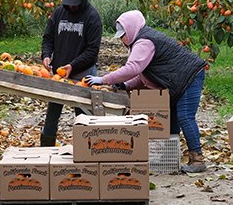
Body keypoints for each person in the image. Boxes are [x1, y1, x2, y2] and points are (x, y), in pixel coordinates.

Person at [85, 10, 208, 173]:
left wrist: (104, 79)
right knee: (172, 116)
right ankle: (169, 157)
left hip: (189, 76)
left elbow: (133, 68)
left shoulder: (144, 41)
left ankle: (197, 160)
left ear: (131, 30)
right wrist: (126, 85)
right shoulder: (142, 40)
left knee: (185, 116)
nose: (122, 39)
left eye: (123, 35)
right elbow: (143, 74)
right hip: (178, 79)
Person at [40, 0, 102, 146]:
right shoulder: (59, 12)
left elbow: (92, 51)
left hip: (83, 73)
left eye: (75, 3)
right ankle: (46, 152)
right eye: (69, 3)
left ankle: (86, 153)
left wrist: (73, 65)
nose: (72, 7)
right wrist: (46, 55)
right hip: (59, 74)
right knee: (52, 114)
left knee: (83, 118)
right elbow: (48, 38)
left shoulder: (92, 17)